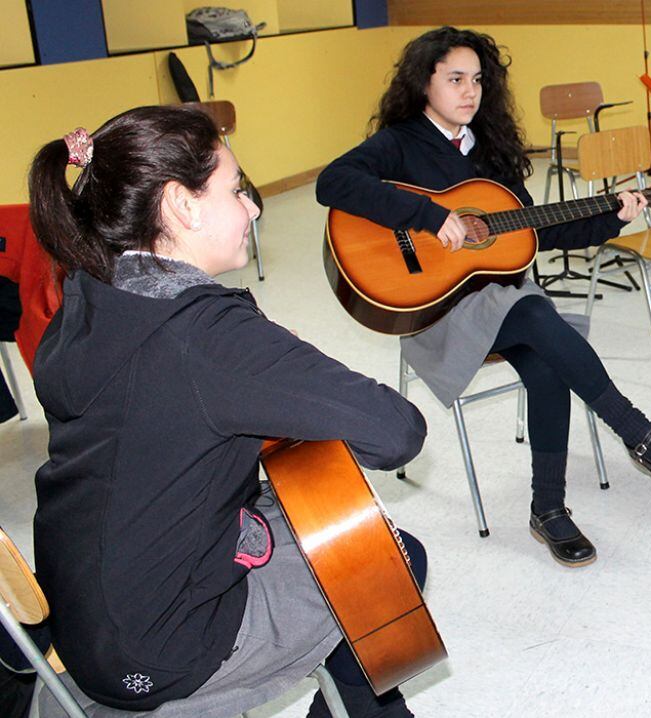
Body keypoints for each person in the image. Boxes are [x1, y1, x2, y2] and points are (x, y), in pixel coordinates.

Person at [28, 106, 429, 717]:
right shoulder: (206, 335)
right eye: (236, 188)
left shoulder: (90, 290)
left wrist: (262, 373)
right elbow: (396, 431)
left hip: (85, 617)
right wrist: (269, 362)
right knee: (386, 560)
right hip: (162, 650)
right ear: (183, 206)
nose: (254, 207)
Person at [316, 26, 651, 568]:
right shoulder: (400, 142)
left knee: (544, 352)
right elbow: (333, 183)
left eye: (477, 80)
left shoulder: (492, 150)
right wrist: (430, 216)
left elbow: (534, 232)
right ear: (423, 83)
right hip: (437, 308)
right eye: (454, 79)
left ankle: (548, 510)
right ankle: (636, 431)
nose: (469, 92)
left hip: (502, 300)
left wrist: (608, 219)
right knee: (535, 315)